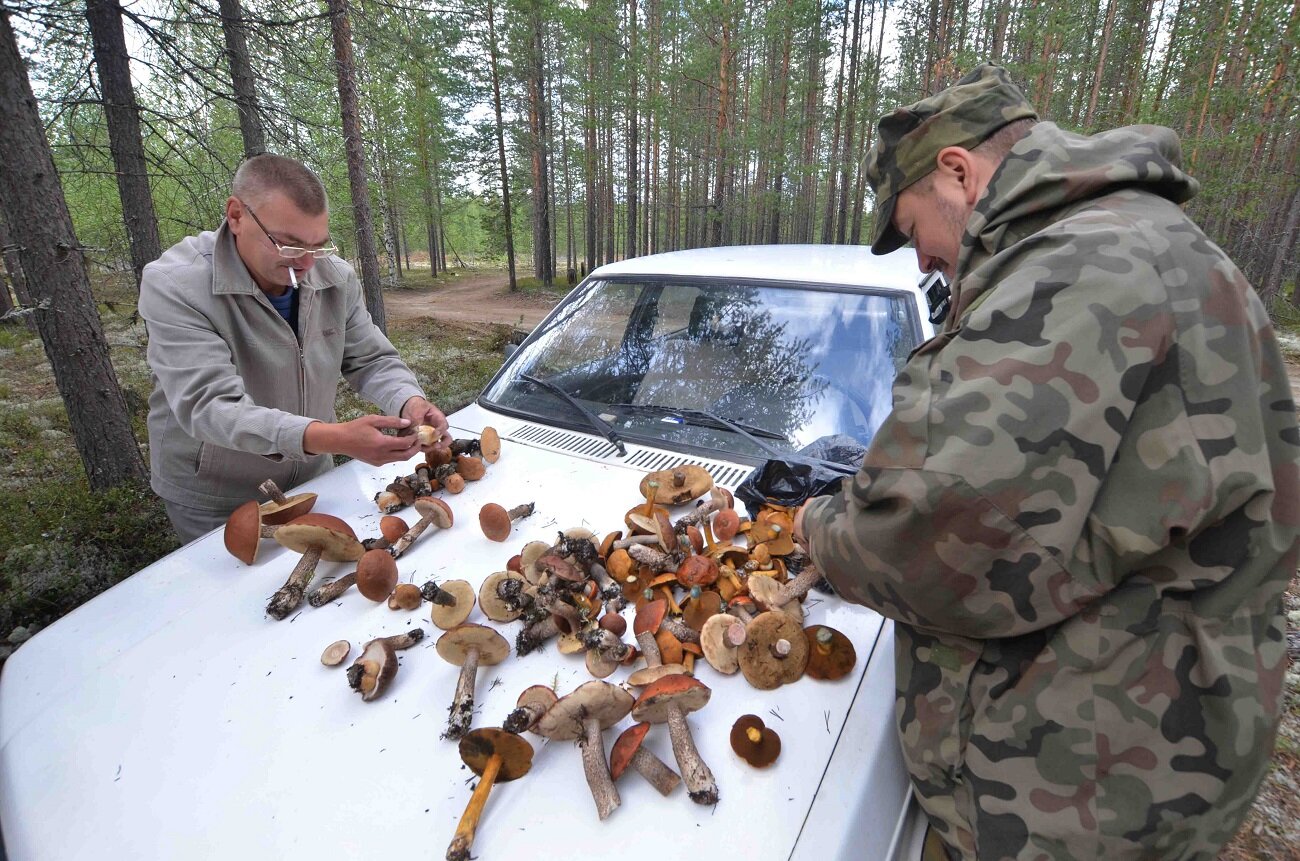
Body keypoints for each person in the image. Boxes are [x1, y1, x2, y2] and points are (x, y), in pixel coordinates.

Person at [793, 64, 1299, 860]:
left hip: (1076, 787)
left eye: (912, 228)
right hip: (1156, 741)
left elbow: (927, 542)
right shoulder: (1152, 243)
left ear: (958, 172)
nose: (920, 261)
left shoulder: (1076, 271)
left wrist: (816, 526)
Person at [139, 154, 450, 542]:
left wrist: (409, 401)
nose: (305, 262)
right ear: (236, 216)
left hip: (311, 477)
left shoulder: (333, 277)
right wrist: (333, 438)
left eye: (318, 245)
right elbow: (210, 407)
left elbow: (371, 359)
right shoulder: (176, 285)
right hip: (217, 494)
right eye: (288, 244)